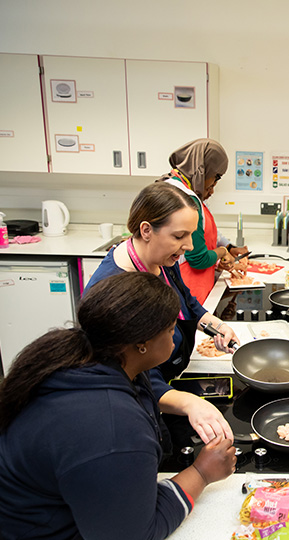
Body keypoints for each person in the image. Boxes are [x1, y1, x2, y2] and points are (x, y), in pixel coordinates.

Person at [0, 272, 237, 540]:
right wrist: (202, 472)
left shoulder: (90, 356)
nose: (175, 340)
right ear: (142, 344)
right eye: (171, 330)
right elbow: (132, 534)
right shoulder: (112, 427)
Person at [85, 182, 238, 444]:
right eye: (179, 236)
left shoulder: (159, 259)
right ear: (146, 230)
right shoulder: (116, 292)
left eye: (190, 235)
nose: (188, 246)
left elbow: (186, 301)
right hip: (144, 398)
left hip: (169, 375)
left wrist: (214, 324)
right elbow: (130, 376)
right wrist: (190, 403)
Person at [158, 138, 249, 303]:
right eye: (215, 177)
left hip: (184, 286)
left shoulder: (178, 187)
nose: (213, 186)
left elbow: (203, 231)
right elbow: (197, 258)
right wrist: (222, 252)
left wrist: (228, 246)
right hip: (188, 288)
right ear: (202, 170)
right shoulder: (186, 198)